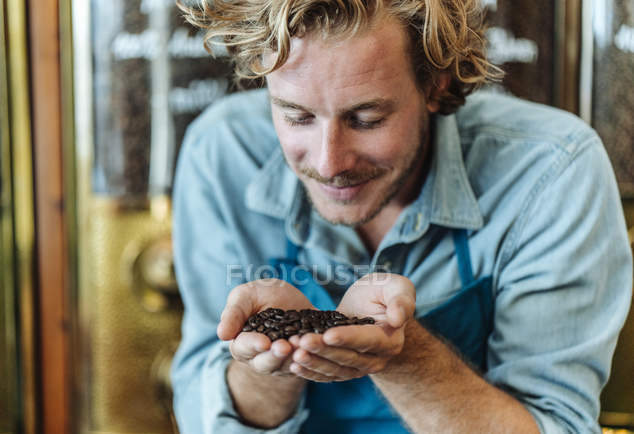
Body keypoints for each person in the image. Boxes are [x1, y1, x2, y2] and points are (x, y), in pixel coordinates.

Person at [170, 0, 633, 433]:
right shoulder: (223, 153)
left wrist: (402, 354)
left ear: (437, 84)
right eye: (297, 116)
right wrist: (271, 364)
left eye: (366, 119)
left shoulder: (549, 171)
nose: (330, 162)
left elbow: (557, 424)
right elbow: (199, 411)